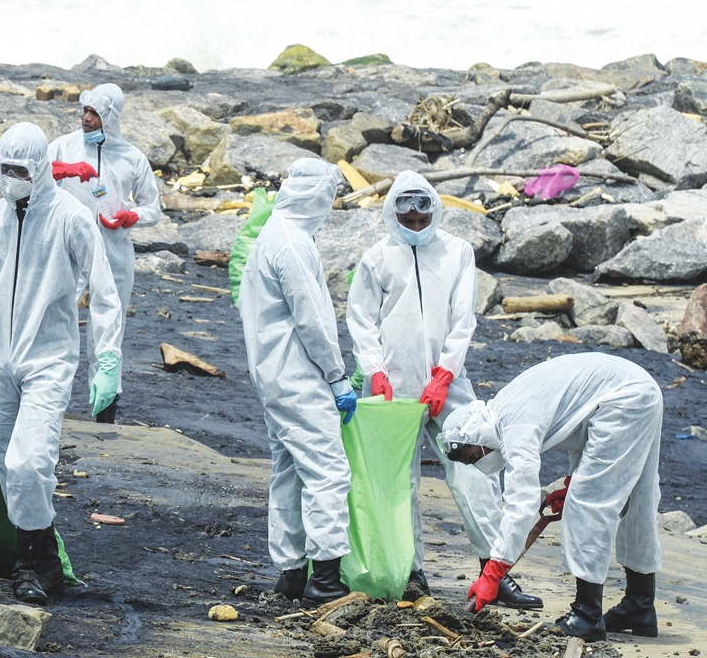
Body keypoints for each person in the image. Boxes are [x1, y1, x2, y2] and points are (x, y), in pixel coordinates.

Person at [346, 171, 541, 608]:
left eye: (422, 217)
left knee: (474, 474)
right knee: (399, 482)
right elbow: (361, 320)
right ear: (392, 214)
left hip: (448, 385)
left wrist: (445, 374)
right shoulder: (377, 258)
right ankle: (410, 572)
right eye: (407, 219)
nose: (416, 225)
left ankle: (496, 570)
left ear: (434, 209)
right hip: (392, 389)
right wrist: (375, 371)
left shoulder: (457, 252)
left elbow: (463, 320)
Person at [0, 122, 123, 605]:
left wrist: (107, 359)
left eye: (22, 169)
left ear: (41, 169)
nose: (12, 177)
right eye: (6, 169)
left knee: (29, 460)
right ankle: (41, 557)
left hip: (48, 357)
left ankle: (28, 564)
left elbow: (103, 292)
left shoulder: (71, 218)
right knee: (5, 462)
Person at [444, 353, 663, 642]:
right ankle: (640, 606)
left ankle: (586, 615)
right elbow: (578, 423)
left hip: (624, 398)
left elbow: (521, 503)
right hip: (635, 390)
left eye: (474, 455)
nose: (478, 462)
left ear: (476, 434)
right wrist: (571, 482)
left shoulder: (511, 424)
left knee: (587, 505)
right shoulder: (506, 409)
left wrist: (493, 571)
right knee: (638, 498)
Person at [239, 157, 359, 606]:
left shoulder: (273, 234)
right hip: (298, 375)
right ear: (318, 195)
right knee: (327, 473)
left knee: (288, 473)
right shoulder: (291, 242)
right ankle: (325, 579)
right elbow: (313, 320)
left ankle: (290, 571)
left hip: (272, 376)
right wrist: (337, 376)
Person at [47, 83, 162, 423]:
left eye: (95, 113)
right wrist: (65, 170)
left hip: (113, 252)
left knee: (108, 327)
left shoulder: (132, 157)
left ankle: (104, 410)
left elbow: (153, 206)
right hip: (67, 249)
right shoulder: (64, 146)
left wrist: (131, 216)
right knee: (55, 318)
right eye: (84, 110)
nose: (86, 118)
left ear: (110, 118)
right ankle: (50, 402)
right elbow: (30, 175)